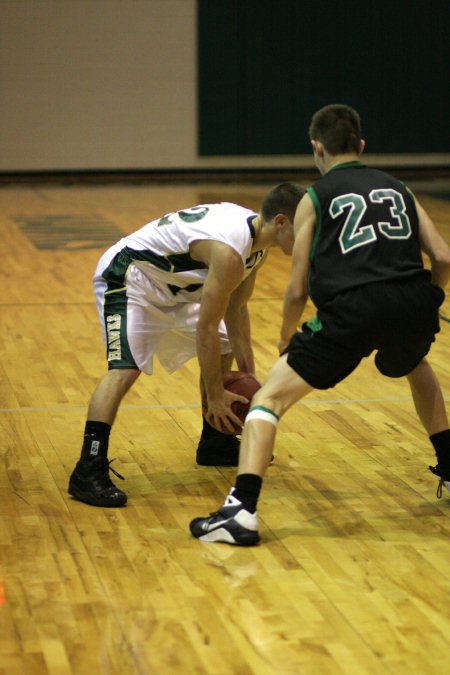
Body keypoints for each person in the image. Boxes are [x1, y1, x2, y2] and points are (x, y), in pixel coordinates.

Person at [190, 104, 450, 546]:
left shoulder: (315, 197)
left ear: (317, 148)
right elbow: (443, 257)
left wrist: (288, 332)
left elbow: (297, 286)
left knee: (268, 399)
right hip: (414, 299)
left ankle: (241, 512)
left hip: (352, 309)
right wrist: (428, 299)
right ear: (361, 145)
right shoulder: (400, 187)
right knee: (417, 367)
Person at [68, 182, 305, 507]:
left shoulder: (257, 247)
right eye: (304, 227)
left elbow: (236, 313)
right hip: (132, 276)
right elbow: (204, 329)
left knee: (225, 341)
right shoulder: (230, 250)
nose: (309, 236)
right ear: (281, 222)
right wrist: (217, 394)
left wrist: (250, 377)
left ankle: (216, 440)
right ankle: (87, 468)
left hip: (174, 286)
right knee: (125, 369)